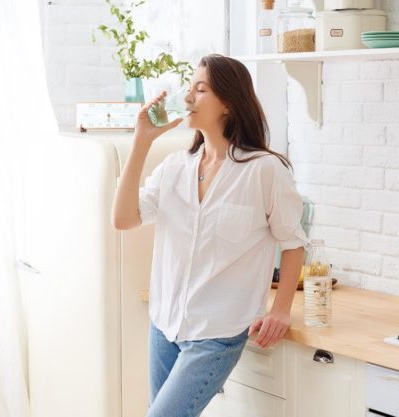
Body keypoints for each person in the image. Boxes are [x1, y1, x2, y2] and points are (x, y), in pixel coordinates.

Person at [112, 54, 308, 417]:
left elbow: (293, 243)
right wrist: (142, 141)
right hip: (165, 326)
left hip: (216, 334)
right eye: (189, 89)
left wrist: (281, 310)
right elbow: (122, 219)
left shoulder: (264, 170)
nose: (188, 98)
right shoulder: (175, 167)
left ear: (229, 104)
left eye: (200, 90)